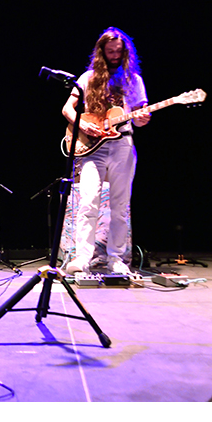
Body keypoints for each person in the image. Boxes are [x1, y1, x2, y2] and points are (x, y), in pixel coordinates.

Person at [61, 27, 150, 276]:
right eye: (110, 51)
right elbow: (68, 108)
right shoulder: (87, 78)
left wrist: (143, 118)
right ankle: (82, 258)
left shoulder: (134, 80)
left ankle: (116, 259)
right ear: (101, 52)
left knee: (120, 206)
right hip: (93, 148)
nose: (114, 55)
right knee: (88, 202)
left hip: (123, 145)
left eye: (118, 51)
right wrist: (81, 123)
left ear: (125, 53)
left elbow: (141, 115)